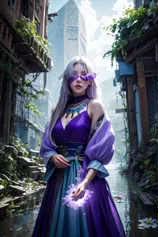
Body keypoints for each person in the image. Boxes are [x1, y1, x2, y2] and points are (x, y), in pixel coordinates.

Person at [33, 56, 125, 237]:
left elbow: (100, 149)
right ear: (67, 78)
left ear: (90, 80)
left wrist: (85, 182)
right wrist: (52, 156)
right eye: (74, 75)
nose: (79, 79)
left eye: (84, 75)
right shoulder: (56, 110)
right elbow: (46, 144)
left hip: (86, 177)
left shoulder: (94, 106)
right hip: (58, 178)